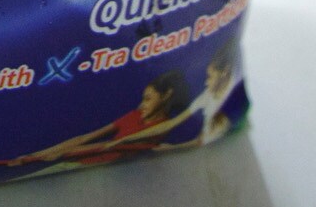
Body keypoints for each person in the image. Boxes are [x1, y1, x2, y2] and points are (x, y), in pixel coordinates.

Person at [18, 72, 190, 168]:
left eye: (147, 99)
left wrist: (60, 153)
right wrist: (35, 155)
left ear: (166, 95)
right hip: (74, 166)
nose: (141, 105)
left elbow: (109, 146)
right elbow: (87, 138)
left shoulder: (162, 127)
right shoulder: (135, 115)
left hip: (102, 174)